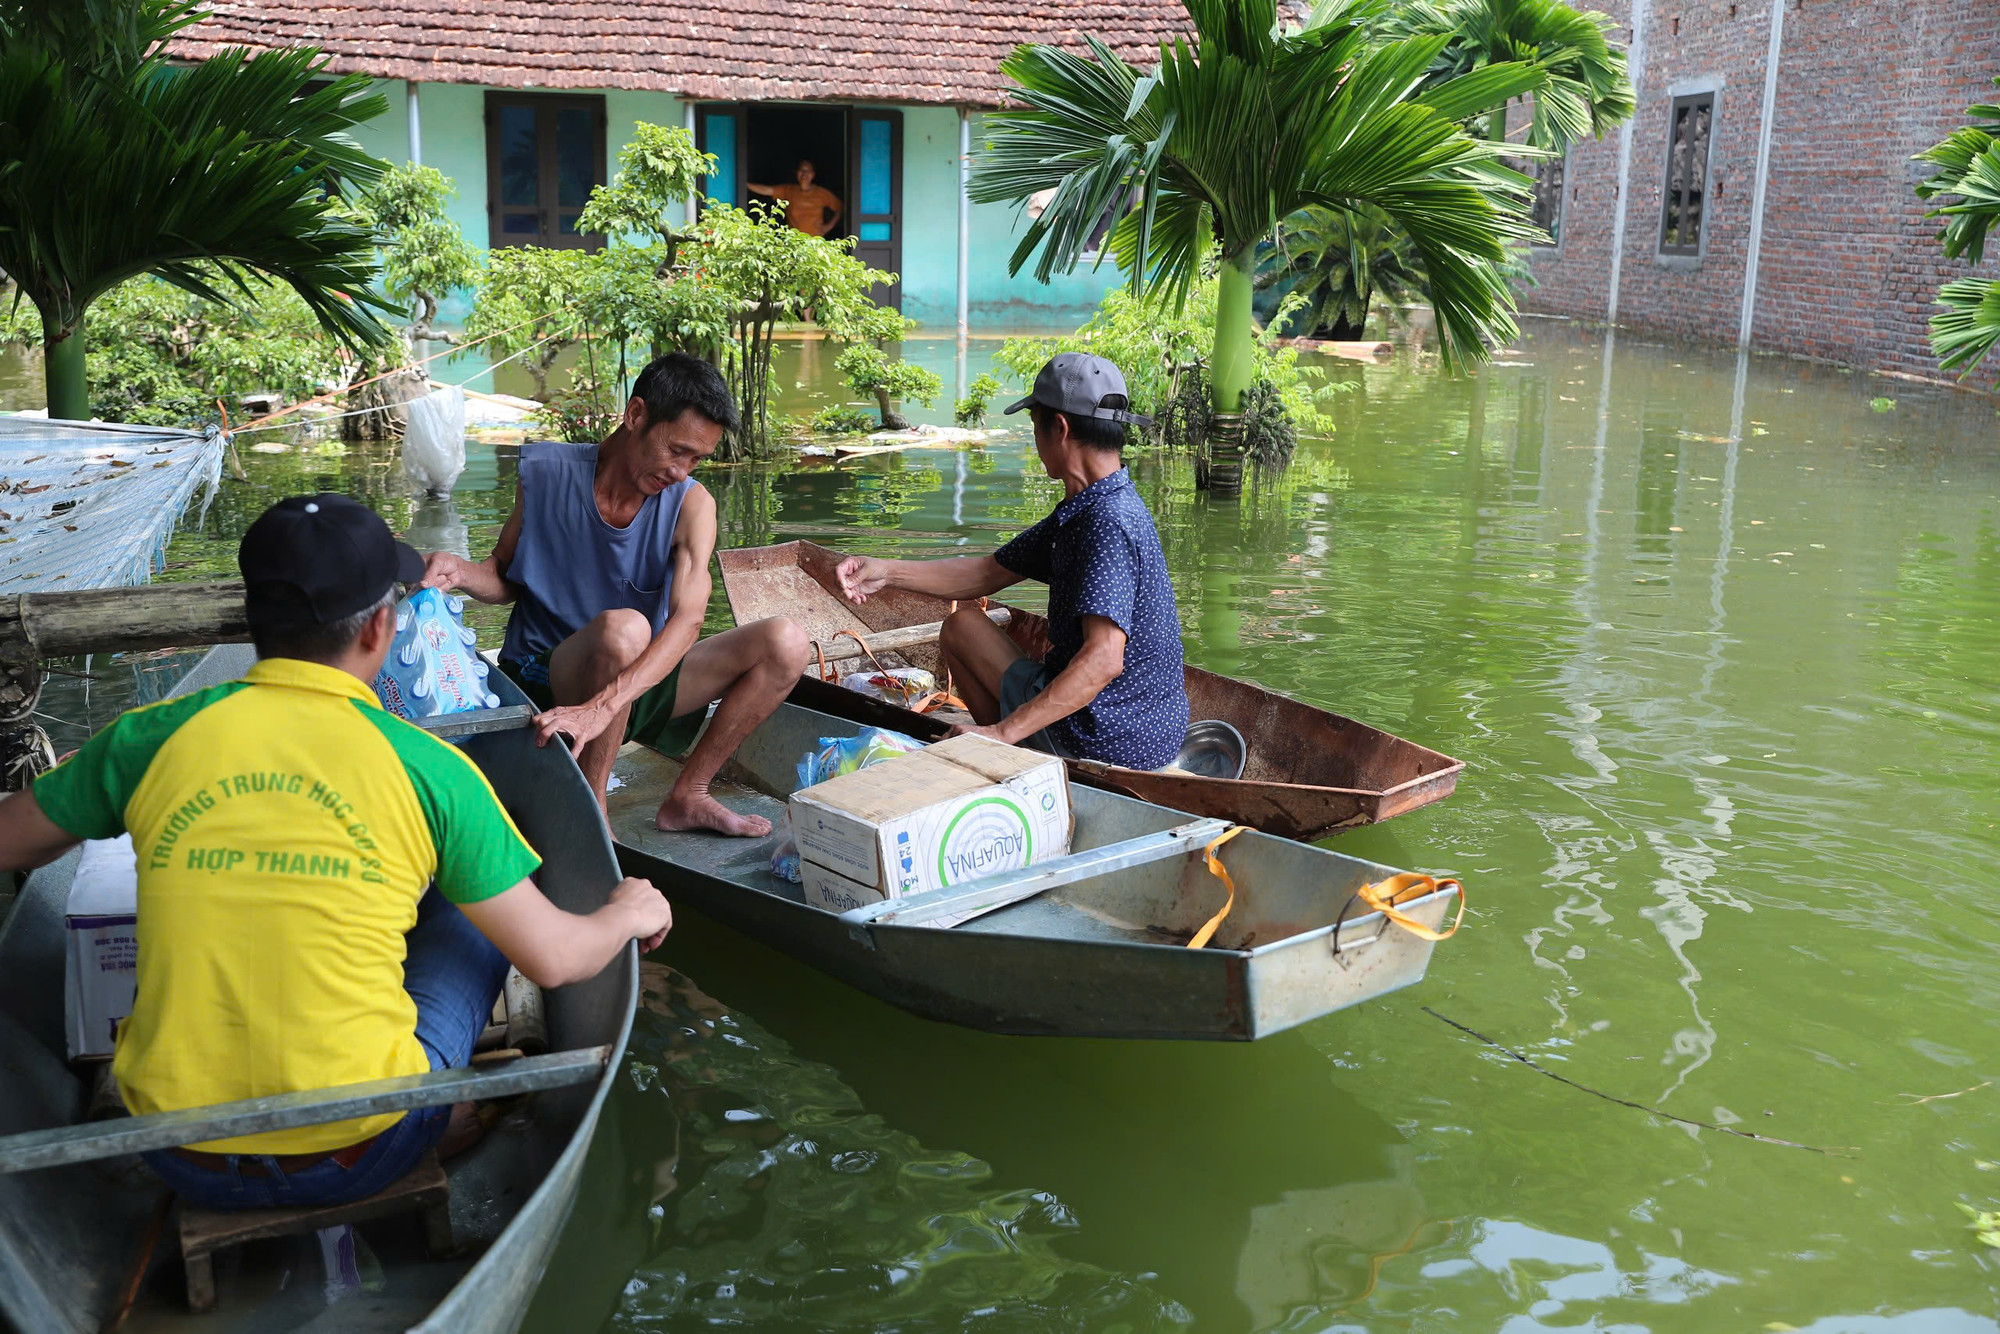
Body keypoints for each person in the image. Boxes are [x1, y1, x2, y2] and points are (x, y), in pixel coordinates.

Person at [0, 494, 673, 1211]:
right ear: (382, 627)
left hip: (177, 1151)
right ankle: (437, 1114)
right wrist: (629, 910)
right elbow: (556, 960)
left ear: (254, 619)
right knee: (470, 906)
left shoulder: (149, 737)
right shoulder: (433, 769)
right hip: (364, 1148)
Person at [420, 353, 807, 837]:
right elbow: (504, 576)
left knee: (787, 642)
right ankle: (592, 811)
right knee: (625, 629)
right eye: (677, 450)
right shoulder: (545, 474)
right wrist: (460, 571)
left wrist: (602, 707)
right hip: (545, 676)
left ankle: (689, 795)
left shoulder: (693, 505)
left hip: (628, 688)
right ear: (636, 414)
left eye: (696, 459)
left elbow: (688, 620)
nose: (682, 471)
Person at [835, 353, 1189, 770]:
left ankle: (1006, 752)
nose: (1035, 443)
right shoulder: (1099, 502)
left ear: (1060, 428)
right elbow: (987, 572)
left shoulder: (1105, 521)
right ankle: (1011, 743)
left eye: (1035, 426)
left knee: (961, 633)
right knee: (963, 625)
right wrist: (886, 572)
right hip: (1152, 732)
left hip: (1103, 737)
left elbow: (1104, 659)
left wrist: (1002, 732)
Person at [748, 159, 842, 237]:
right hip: (794, 243)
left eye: (808, 171)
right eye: (802, 170)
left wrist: (828, 226)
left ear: (813, 175)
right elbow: (766, 190)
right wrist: (745, 183)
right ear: (797, 173)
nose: (804, 174)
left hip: (815, 243)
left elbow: (840, 206)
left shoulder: (821, 193)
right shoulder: (788, 190)